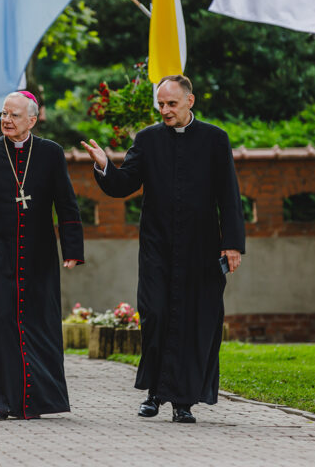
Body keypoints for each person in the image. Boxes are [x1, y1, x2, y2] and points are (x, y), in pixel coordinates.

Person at [81, 75, 245, 424]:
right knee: (155, 314)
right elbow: (124, 184)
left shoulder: (215, 139)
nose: (165, 110)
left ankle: (183, 401)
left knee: (193, 321)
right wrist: (104, 165)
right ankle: (155, 392)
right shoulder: (148, 139)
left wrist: (232, 244)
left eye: (172, 103)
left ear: (190, 101)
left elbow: (229, 195)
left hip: (201, 248)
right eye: (161, 104)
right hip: (157, 246)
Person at [0, 91, 84, 420]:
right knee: (2, 325)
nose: (6, 120)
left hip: (40, 256)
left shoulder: (50, 153)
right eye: (3, 114)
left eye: (14, 115)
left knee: (40, 325)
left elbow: (66, 203)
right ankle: (0, 399)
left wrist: (72, 248)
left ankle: (39, 400)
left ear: (32, 119)